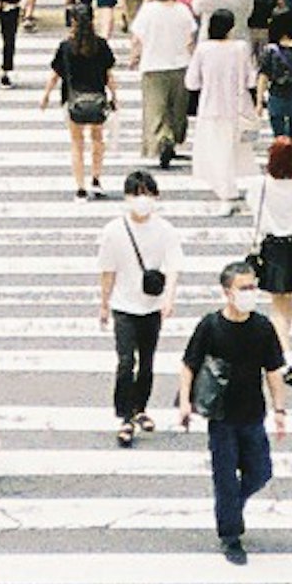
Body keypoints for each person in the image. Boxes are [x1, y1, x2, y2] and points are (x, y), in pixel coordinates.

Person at [183, 261, 290, 562]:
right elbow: (189, 363)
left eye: (253, 286)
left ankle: (231, 506)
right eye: (243, 288)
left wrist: (280, 410)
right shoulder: (211, 325)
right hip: (221, 417)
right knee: (225, 478)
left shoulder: (262, 327)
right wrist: (184, 403)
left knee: (260, 472)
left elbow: (273, 371)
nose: (250, 293)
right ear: (227, 292)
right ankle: (230, 534)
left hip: (253, 414)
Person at [94, 169, 184, 447]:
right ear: (126, 197)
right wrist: (105, 304)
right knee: (125, 363)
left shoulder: (165, 230)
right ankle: (125, 416)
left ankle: (139, 408)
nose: (141, 200)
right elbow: (107, 270)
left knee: (146, 364)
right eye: (136, 194)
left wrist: (169, 299)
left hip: (151, 307)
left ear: (155, 197)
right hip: (124, 306)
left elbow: (173, 267)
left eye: (146, 194)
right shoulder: (114, 231)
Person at [246, 135, 292, 377]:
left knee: (278, 303)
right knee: (287, 300)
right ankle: (285, 350)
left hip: (273, 246)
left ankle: (285, 355)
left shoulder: (261, 186)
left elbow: (256, 216)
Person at [47, 6, 120, 198]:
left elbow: (55, 76)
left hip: (73, 101)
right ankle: (96, 180)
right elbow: (109, 76)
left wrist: (45, 96)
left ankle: (80, 187)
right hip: (97, 99)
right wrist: (115, 97)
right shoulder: (101, 45)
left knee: (77, 143)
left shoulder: (66, 47)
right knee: (97, 140)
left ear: (73, 22)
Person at [130, 0, 199, 171]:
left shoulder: (148, 11)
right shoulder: (182, 10)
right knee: (177, 110)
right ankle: (174, 137)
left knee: (156, 110)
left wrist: (134, 55)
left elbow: (137, 38)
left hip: (153, 66)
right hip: (180, 66)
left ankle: (163, 139)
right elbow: (190, 39)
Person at [188, 11, 257, 212]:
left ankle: (225, 189)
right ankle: (228, 188)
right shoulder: (241, 48)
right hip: (236, 106)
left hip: (210, 106)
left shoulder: (203, 49)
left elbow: (191, 81)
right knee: (231, 148)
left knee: (214, 149)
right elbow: (250, 78)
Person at [256, 10, 292, 146]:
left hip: (276, 94)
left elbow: (263, 76)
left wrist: (259, 101)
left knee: (278, 136)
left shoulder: (270, 50)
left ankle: (280, 161)